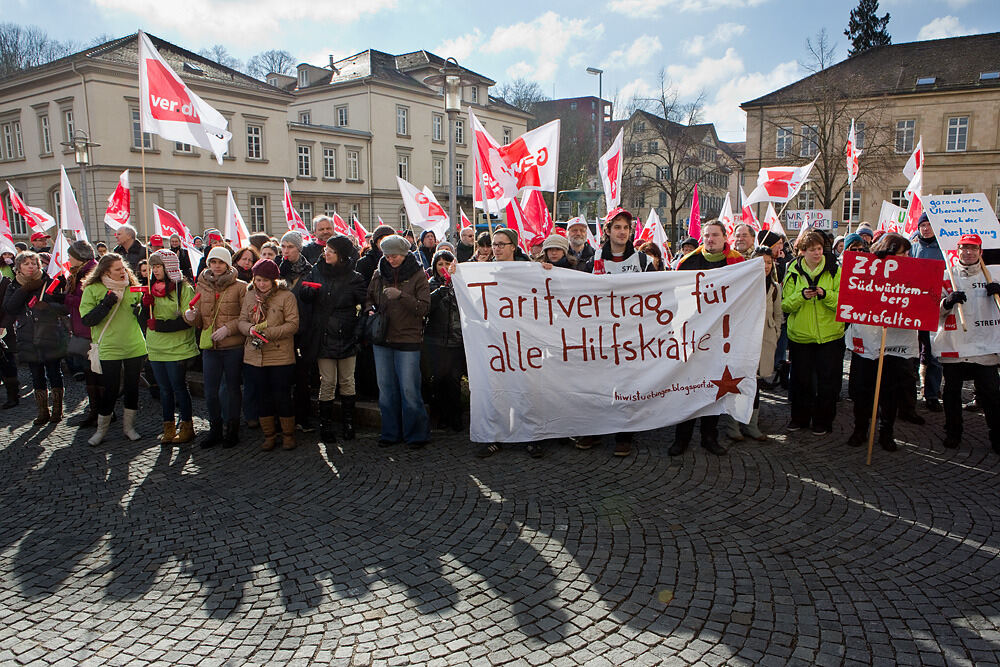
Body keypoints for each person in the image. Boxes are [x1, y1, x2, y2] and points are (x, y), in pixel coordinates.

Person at [670, 220, 745, 456]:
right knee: (689, 386)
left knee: (715, 386)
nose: (710, 239)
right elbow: (675, 295)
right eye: (706, 235)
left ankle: (709, 437)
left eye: (715, 235)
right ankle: (682, 438)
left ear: (725, 237)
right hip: (693, 335)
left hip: (722, 336)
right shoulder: (687, 262)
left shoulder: (737, 262)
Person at [844, 233, 917, 452]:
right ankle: (860, 429)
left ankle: (887, 432)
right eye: (902, 253)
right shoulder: (867, 268)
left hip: (895, 343)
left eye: (907, 253)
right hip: (867, 341)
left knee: (890, 392)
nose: (906, 256)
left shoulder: (913, 272)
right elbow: (852, 295)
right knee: (863, 390)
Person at [934, 233, 1000, 451]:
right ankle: (953, 432)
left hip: (985, 346)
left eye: (973, 249)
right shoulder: (947, 276)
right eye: (964, 248)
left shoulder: (994, 275)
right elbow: (932, 312)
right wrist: (947, 302)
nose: (968, 253)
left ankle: (996, 435)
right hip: (955, 346)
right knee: (952, 393)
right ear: (957, 251)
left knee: (990, 394)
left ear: (980, 252)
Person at [365, 234, 430, 449]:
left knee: (409, 390)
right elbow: (368, 299)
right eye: (387, 255)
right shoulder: (378, 272)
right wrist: (370, 310)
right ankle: (390, 432)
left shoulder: (418, 274)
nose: (390, 259)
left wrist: (401, 296)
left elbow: (424, 308)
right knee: (386, 389)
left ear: (404, 255)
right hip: (382, 339)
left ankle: (416, 435)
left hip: (408, 339)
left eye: (394, 256)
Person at [301, 235, 366, 443]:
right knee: (327, 381)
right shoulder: (316, 270)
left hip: (347, 335)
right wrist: (306, 292)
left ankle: (348, 423)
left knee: (348, 381)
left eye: (331, 250)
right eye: (325, 249)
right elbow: (305, 291)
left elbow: (364, 306)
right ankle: (325, 426)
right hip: (323, 335)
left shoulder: (354, 277)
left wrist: (357, 332)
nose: (326, 253)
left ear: (342, 255)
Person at [80, 253, 147, 445]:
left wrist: (142, 309)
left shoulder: (133, 286)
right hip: (109, 347)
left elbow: (142, 315)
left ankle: (129, 428)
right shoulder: (93, 289)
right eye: (117, 269)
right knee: (110, 389)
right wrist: (106, 303)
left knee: (132, 388)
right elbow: (88, 320)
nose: (122, 272)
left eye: (123, 268)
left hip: (134, 345)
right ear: (105, 271)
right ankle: (101, 431)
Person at [781, 229, 843, 435]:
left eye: (819, 249)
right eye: (811, 250)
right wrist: (801, 296)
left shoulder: (835, 269)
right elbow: (786, 305)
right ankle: (799, 418)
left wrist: (826, 295)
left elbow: (844, 302)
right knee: (801, 380)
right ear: (802, 251)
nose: (817, 253)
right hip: (801, 336)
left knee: (828, 382)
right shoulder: (792, 271)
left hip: (830, 336)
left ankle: (823, 421)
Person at [185, 246, 247, 448]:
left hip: (232, 346)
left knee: (232, 389)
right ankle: (215, 429)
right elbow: (201, 319)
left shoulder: (240, 287)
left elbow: (245, 318)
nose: (217, 266)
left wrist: (228, 329)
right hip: (210, 346)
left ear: (228, 264)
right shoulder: (201, 286)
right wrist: (191, 318)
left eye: (221, 262)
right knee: (210, 391)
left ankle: (232, 429)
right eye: (213, 262)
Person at [238, 258, 300, 450]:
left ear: (273, 280)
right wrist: (250, 329)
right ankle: (269, 435)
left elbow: (293, 325)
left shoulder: (286, 296)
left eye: (265, 280)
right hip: (255, 355)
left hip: (280, 355)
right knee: (262, 396)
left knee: (282, 395)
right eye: (258, 280)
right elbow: (241, 320)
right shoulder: (249, 296)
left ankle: (288, 434)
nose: (261, 284)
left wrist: (268, 333)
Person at [2, 251, 67, 424]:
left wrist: (48, 305)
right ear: (19, 267)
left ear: (39, 265)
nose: (30, 266)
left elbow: (64, 307)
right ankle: (42, 411)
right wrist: (24, 290)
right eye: (26, 264)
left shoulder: (50, 282)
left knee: (54, 372)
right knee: (36, 374)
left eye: (34, 263)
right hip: (27, 335)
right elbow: (9, 308)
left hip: (49, 332)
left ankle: (58, 409)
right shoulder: (14, 285)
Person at [141, 250, 198, 445]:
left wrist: (161, 326)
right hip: (156, 347)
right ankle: (168, 427)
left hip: (178, 346)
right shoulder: (149, 287)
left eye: (159, 266)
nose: (155, 270)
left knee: (178, 387)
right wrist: (143, 305)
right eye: (154, 266)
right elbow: (144, 320)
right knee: (164, 389)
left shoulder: (183, 288)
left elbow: (187, 320)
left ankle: (187, 426)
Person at [424, 249, 465, 432]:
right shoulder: (430, 285)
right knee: (439, 380)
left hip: (456, 339)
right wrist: (442, 290)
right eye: (440, 264)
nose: (444, 268)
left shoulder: (462, 284)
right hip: (436, 340)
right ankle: (439, 417)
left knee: (454, 380)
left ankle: (455, 417)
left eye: (447, 264)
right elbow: (426, 307)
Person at [278, 231, 315, 431]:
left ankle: (303, 417)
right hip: (281, 331)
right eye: (283, 246)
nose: (286, 251)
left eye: (290, 247)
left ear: (299, 248)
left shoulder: (309, 270)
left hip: (303, 330)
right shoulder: (277, 269)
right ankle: (284, 417)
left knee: (302, 378)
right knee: (282, 377)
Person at [61, 240, 100, 426]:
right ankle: (96, 410)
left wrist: (66, 297)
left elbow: (86, 301)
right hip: (81, 326)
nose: (68, 259)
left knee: (95, 371)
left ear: (79, 257)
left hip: (90, 329)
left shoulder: (91, 273)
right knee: (89, 371)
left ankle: (101, 412)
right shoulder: (79, 272)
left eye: (70, 256)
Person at [911, 213, 944, 412]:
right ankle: (909, 392)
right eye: (922, 225)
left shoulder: (944, 251)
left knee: (934, 355)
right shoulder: (913, 248)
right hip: (913, 308)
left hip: (934, 308)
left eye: (929, 224)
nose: (925, 228)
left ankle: (931, 394)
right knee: (911, 353)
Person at [593, 208, 651, 274]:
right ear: (608, 231)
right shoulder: (595, 260)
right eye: (617, 227)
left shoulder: (644, 260)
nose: (623, 232)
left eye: (626, 227)